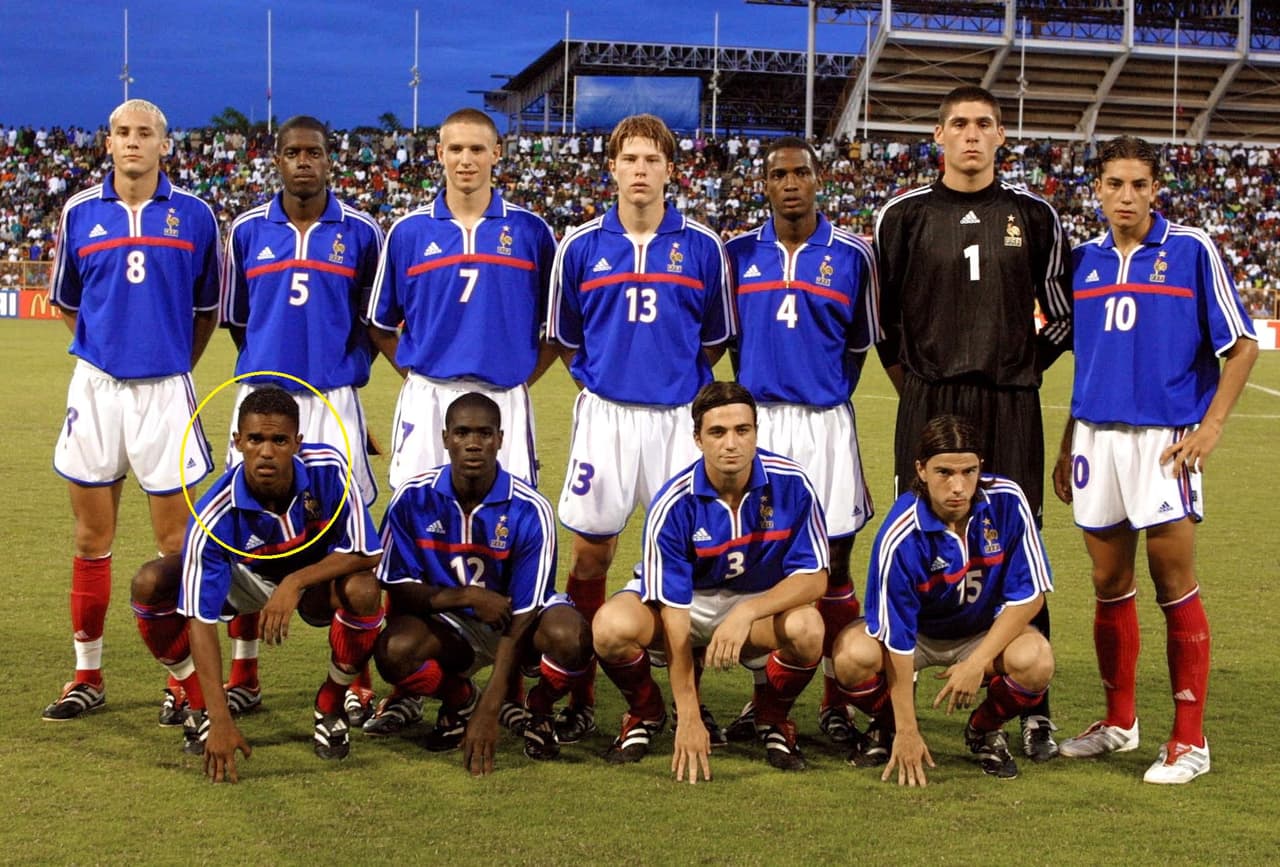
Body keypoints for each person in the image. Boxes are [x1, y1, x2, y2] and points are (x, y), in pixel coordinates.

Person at [873, 84, 1071, 760]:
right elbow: (885, 325)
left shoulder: (1035, 214)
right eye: (958, 123)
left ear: (1001, 135)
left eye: (984, 123)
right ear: (938, 135)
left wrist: (1019, 365)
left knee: (1021, 539)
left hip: (1009, 401)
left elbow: (1063, 314)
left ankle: (1032, 708)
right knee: (914, 534)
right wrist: (921, 385)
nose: (971, 135)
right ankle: (890, 700)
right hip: (928, 400)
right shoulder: (901, 215)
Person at [1052, 135, 1258, 785]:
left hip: (1164, 441)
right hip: (1095, 440)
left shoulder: (1191, 249)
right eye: (1115, 184)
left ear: (1156, 188)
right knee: (1109, 584)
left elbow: (1243, 344)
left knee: (1175, 586)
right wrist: (1067, 441)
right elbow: (1091, 361)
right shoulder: (1082, 261)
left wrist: (1212, 425)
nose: (1127, 196)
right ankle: (1119, 722)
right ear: (1098, 189)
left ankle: (1190, 739)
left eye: (1139, 184)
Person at [547, 113, 736, 744]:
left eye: (652, 161)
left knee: (681, 556)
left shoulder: (703, 247)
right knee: (591, 550)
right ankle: (577, 690)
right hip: (606, 416)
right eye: (629, 160)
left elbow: (712, 340)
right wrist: (610, 386)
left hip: (678, 422)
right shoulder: (579, 246)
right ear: (612, 168)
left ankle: (681, 696)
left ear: (670, 171)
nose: (640, 171)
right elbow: (570, 341)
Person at [44, 99, 221, 722]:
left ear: (164, 145)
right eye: (122, 133)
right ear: (108, 142)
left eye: (145, 133)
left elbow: (207, 313)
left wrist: (169, 361)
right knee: (92, 538)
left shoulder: (195, 216)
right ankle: (86, 674)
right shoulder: (77, 212)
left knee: (175, 541)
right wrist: (105, 353)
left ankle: (182, 678)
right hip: (95, 391)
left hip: (166, 391)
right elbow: (68, 301)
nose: (133, 143)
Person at [219, 114, 385, 727]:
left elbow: (372, 319)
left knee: (354, 539)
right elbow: (239, 318)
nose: (303, 161)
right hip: (264, 399)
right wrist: (271, 367)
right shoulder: (244, 231)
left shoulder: (362, 233)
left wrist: (344, 370)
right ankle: (244, 673)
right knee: (245, 531)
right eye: (292, 152)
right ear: (277, 160)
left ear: (329, 159)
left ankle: (354, 683)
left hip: (335, 399)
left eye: (314, 151)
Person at [129, 387, 384, 781]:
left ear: (297, 443)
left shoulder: (330, 469)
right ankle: (198, 704)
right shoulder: (213, 514)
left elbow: (368, 552)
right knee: (149, 583)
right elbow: (201, 620)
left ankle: (330, 703)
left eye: (279, 440)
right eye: (255, 440)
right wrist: (219, 718)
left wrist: (295, 583)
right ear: (238, 443)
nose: (267, 451)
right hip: (248, 579)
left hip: (315, 580)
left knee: (365, 591)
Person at [724, 135, 881, 745]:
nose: (790, 183)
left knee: (836, 561)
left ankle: (838, 699)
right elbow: (731, 340)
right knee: (766, 564)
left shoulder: (852, 255)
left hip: (824, 422)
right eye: (777, 174)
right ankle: (769, 700)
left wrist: (825, 389)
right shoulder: (738, 253)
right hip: (760, 421)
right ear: (763, 184)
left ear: (819, 179)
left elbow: (859, 343)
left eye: (800, 172)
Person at [592, 382, 826, 779]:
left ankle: (770, 718)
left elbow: (815, 577)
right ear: (698, 438)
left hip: (756, 604)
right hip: (686, 605)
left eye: (742, 430)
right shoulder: (674, 501)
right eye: (717, 433)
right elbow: (675, 614)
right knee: (610, 627)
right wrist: (688, 715)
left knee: (808, 628)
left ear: (755, 432)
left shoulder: (792, 483)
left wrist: (747, 612)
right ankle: (648, 712)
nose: (731, 443)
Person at [365, 393, 593, 774]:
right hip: (451, 625)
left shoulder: (529, 508)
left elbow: (524, 614)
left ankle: (537, 711)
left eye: (484, 433)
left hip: (517, 624)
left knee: (572, 637)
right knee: (395, 651)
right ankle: (459, 699)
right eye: (463, 432)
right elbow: (397, 585)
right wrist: (467, 596)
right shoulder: (412, 498)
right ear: (445, 438)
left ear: (500, 439)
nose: (473, 443)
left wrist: (493, 708)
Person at [831, 415, 1055, 785]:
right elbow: (897, 642)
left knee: (1037, 660)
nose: (958, 486)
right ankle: (888, 727)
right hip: (916, 638)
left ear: (981, 466)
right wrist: (906, 728)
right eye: (944, 472)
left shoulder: (1008, 502)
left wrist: (978, 662)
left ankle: (985, 729)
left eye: (969, 471)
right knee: (851, 658)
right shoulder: (900, 534)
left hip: (981, 635)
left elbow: (1029, 599)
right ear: (920, 470)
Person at [367, 107, 557, 490]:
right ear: (440, 154)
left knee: (507, 513)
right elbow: (381, 324)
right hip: (428, 398)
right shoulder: (409, 232)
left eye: (476, 149)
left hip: (503, 397)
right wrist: (418, 374)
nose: (465, 160)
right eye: (455, 149)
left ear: (497, 153)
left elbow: (555, 328)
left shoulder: (531, 232)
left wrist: (520, 377)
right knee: (415, 509)